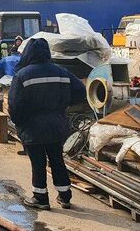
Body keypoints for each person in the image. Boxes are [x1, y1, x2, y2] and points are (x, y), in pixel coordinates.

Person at [8, 38, 85, 211]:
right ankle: (65, 197)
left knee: (38, 163)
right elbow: (81, 91)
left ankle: (40, 198)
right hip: (57, 125)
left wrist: (20, 122)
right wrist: (62, 105)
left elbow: (14, 105)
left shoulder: (22, 75)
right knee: (57, 160)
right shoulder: (61, 71)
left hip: (33, 127)